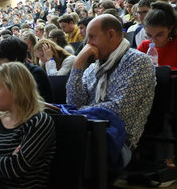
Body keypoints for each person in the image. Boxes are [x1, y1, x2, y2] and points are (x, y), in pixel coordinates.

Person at [66, 14, 155, 166]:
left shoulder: (137, 61)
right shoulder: (93, 67)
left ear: (111, 34)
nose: (88, 44)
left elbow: (117, 110)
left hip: (118, 143)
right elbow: (73, 102)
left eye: (92, 37)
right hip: (89, 132)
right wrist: (78, 64)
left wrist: (79, 111)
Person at [0, 36, 53, 102]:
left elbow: (40, 103)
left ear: (14, 59)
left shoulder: (36, 74)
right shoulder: (3, 74)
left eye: (1, 60)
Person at [137, 1, 177, 69]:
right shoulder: (144, 46)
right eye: (149, 35)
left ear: (170, 28)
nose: (153, 40)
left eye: (159, 35)